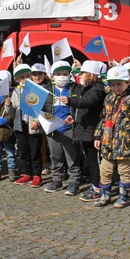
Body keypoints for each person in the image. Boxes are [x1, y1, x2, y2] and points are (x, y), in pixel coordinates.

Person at [94, 66, 130, 208]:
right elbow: (103, 118)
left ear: (128, 82)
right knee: (105, 170)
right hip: (108, 142)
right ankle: (105, 195)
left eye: (119, 84)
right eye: (113, 85)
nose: (116, 88)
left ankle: (123, 196)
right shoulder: (108, 98)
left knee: (124, 171)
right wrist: (97, 135)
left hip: (125, 142)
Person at [60, 60, 107, 202]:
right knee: (90, 160)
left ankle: (98, 188)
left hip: (93, 132)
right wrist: (74, 118)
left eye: (82, 73)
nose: (79, 76)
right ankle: (95, 185)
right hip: (85, 130)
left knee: (95, 162)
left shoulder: (98, 90)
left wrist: (70, 101)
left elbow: (87, 103)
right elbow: (83, 110)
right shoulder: (87, 88)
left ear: (91, 75)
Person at [42, 61, 80, 195]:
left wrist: (73, 117)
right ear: (52, 76)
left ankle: (74, 181)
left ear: (70, 75)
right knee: (55, 156)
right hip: (53, 128)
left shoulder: (75, 88)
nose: (62, 76)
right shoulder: (47, 90)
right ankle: (56, 180)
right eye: (58, 74)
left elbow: (80, 106)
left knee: (72, 156)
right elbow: (39, 106)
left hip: (69, 127)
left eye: (65, 74)